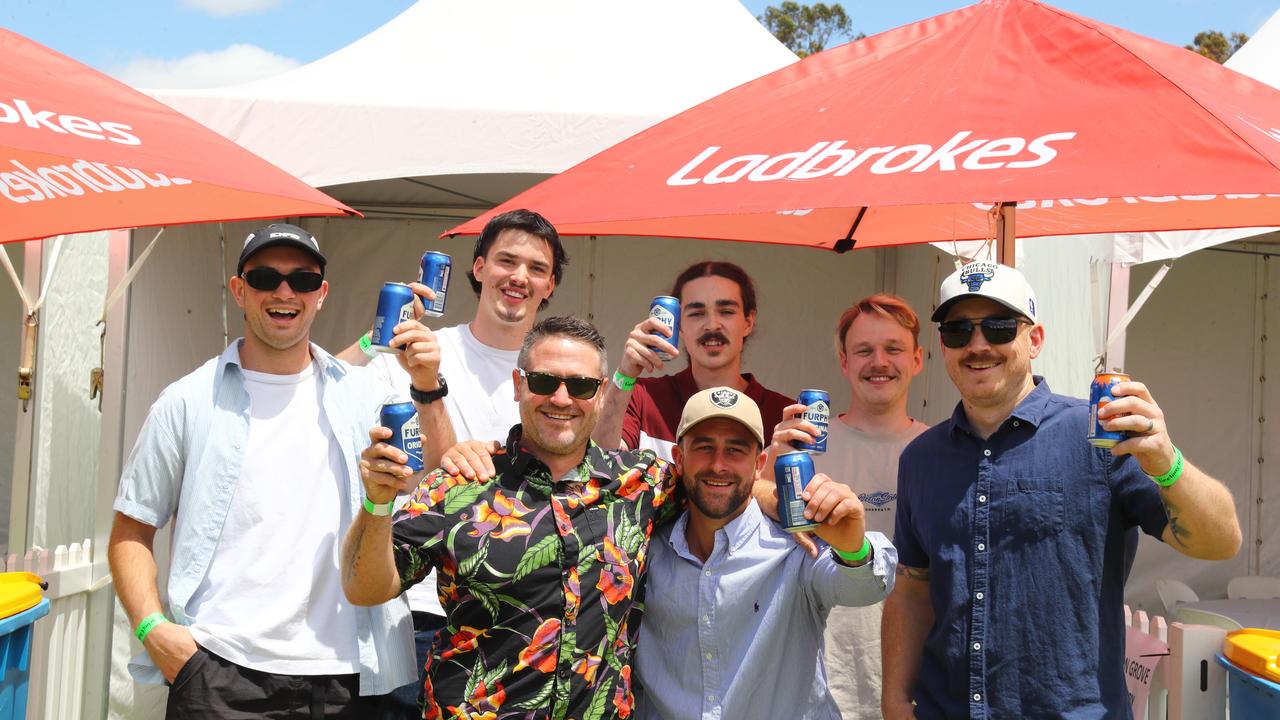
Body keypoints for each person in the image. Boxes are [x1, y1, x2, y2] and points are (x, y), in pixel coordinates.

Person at [881, 260, 1243, 720]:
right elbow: (913, 586)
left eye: (998, 327)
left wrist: (1167, 461)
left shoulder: (1099, 438)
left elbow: (1220, 541)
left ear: (1034, 340)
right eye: (958, 331)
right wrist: (894, 700)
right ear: (942, 347)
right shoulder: (921, 458)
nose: (977, 345)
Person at [108, 223, 414, 718]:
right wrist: (153, 631)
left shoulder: (369, 398)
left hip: (350, 674)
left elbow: (418, 496)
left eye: (304, 281)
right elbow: (130, 531)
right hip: (217, 670)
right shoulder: (186, 401)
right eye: (266, 277)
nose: (285, 292)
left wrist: (428, 384)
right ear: (239, 290)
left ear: (322, 295)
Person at [341, 315, 678, 719]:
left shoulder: (642, 482)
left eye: (581, 385)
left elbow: (727, 492)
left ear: (601, 394)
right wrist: (377, 502)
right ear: (519, 384)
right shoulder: (462, 483)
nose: (561, 398)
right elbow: (365, 588)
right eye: (543, 382)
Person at [337, 208, 568, 715]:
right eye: (506, 261)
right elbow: (323, 388)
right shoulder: (423, 350)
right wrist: (375, 335)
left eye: (535, 268)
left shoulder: (559, 377)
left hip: (523, 619)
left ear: (549, 285)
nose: (519, 277)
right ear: (480, 267)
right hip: (419, 612)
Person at [634, 385, 897, 720]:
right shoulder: (643, 550)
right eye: (704, 447)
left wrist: (854, 547)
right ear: (679, 459)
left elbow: (866, 588)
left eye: (735, 450)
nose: (719, 465)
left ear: (759, 464)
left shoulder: (795, 545)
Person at [799, 294, 928, 720]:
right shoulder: (803, 452)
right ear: (844, 362)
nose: (879, 362)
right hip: (819, 683)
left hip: (916, 686)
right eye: (864, 350)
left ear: (918, 359)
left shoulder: (942, 453)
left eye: (893, 349)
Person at [592, 260, 792, 461]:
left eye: (726, 311)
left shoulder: (783, 416)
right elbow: (600, 464)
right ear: (679, 326)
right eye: (697, 313)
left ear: (748, 321)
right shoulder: (642, 398)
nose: (712, 325)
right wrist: (625, 374)